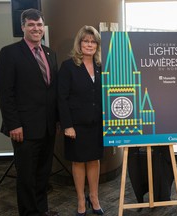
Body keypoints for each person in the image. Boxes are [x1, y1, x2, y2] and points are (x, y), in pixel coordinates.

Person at [0, 9, 59, 216]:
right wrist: (13, 124)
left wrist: (57, 121)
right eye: (31, 25)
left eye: (39, 25)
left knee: (42, 174)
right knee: (26, 177)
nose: (36, 28)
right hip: (23, 128)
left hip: (47, 127)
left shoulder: (50, 53)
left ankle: (42, 211)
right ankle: (29, 213)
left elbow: (52, 91)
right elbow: (6, 93)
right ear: (22, 27)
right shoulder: (9, 53)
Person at [58, 25, 104, 216]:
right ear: (79, 43)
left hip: (97, 124)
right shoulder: (68, 66)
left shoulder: (102, 66)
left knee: (94, 160)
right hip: (76, 125)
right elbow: (61, 97)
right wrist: (67, 125)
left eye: (93, 41)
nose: (89, 44)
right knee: (78, 162)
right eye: (86, 41)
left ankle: (94, 197)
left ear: (97, 45)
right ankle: (80, 199)